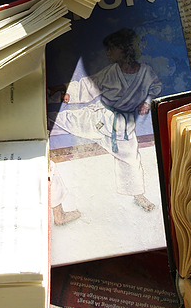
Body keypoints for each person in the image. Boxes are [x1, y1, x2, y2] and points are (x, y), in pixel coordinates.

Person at [49, 28, 161, 212]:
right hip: (99, 118)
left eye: (111, 49)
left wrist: (147, 102)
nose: (107, 52)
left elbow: (155, 88)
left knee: (131, 160)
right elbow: (88, 86)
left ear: (125, 49)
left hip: (124, 126)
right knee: (61, 121)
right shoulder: (111, 71)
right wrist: (65, 92)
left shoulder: (146, 72)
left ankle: (138, 195)